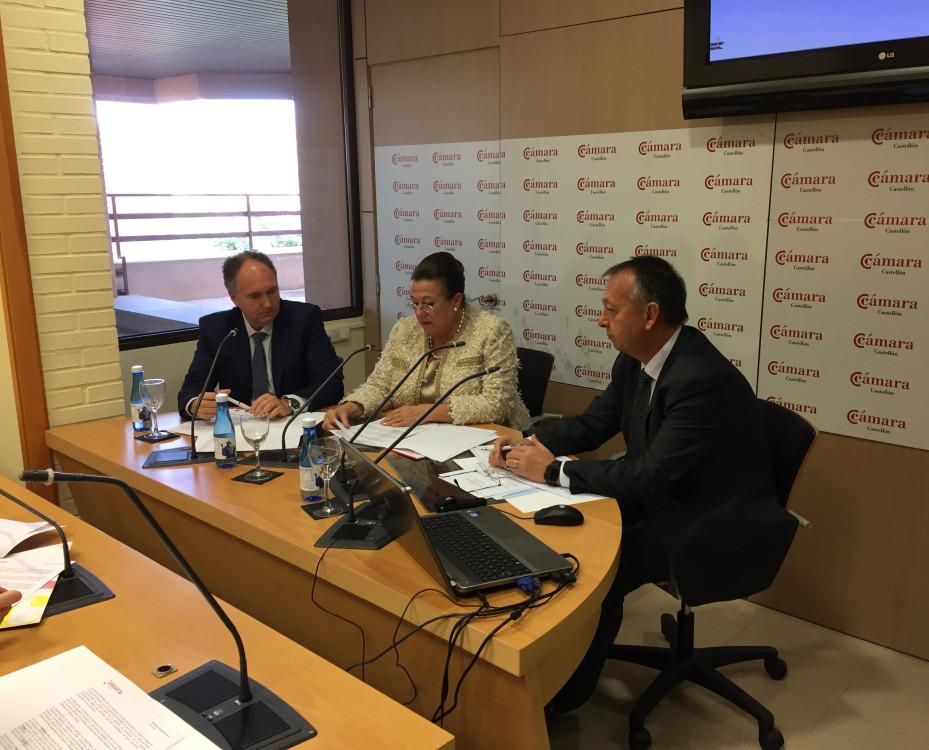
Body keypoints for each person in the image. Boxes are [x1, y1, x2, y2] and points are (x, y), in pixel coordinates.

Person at [489, 256, 795, 714]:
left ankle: (566, 698)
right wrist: (525, 443)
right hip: (664, 496)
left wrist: (552, 471)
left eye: (611, 310)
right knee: (566, 528)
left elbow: (650, 474)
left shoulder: (701, 379)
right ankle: (547, 673)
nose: (601, 319)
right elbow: (595, 423)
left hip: (708, 518)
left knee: (596, 571)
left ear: (650, 315)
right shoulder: (637, 360)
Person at [324, 252, 529, 430]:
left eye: (428, 304)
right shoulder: (405, 330)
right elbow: (380, 385)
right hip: (416, 439)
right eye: (414, 304)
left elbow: (497, 403)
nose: (419, 313)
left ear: (456, 300)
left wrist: (428, 412)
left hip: (487, 441)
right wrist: (352, 407)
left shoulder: (491, 332)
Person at [177, 251, 344, 421]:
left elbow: (331, 383)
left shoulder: (304, 319)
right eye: (255, 296)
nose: (268, 303)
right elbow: (192, 387)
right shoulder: (217, 328)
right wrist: (195, 404)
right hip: (242, 426)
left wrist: (289, 403)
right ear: (234, 298)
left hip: (292, 424)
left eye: (272, 291)